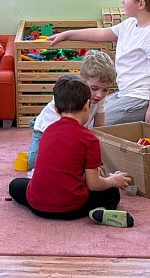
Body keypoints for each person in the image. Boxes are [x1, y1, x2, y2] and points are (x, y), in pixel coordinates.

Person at [9, 74, 134, 227]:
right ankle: (103, 209)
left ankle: (95, 208)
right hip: (71, 208)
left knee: (15, 185)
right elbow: (94, 185)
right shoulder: (90, 139)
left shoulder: (47, 131)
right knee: (111, 191)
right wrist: (113, 180)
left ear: (56, 108)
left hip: (38, 206)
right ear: (87, 105)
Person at [49, 0, 150, 126]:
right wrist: (68, 34)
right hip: (124, 94)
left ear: (140, 4)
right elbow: (99, 34)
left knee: (88, 125)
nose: (123, 1)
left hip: (140, 98)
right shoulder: (129, 25)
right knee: (83, 113)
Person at [27, 50, 115, 169]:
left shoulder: (99, 98)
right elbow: (63, 133)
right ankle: (35, 123)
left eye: (105, 90)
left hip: (74, 131)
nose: (99, 95)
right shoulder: (69, 94)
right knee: (35, 162)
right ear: (82, 79)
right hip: (47, 130)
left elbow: (99, 129)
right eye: (94, 88)